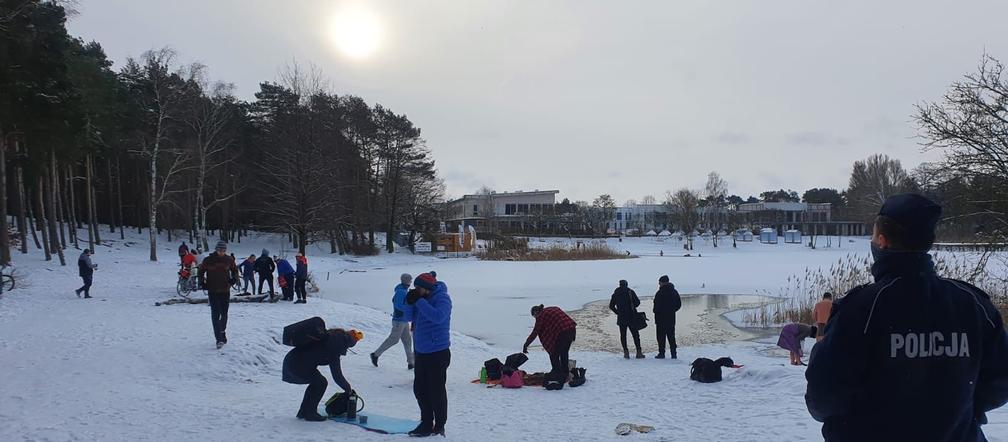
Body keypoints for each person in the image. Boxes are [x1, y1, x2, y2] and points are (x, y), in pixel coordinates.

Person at [806, 194, 1008, 440]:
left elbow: (823, 399)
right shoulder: (973, 304)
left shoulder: (861, 310)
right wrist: (955, 412)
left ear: (881, 242)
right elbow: (999, 382)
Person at [282, 328, 363, 422]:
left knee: (317, 382)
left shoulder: (333, 336)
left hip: (293, 360)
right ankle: (310, 413)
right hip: (297, 364)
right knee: (321, 383)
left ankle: (304, 411)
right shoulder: (335, 347)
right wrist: (348, 389)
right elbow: (337, 375)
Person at [406, 272, 452, 437]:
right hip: (421, 351)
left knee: (436, 390)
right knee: (419, 389)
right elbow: (407, 317)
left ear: (427, 288)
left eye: (419, 288)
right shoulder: (421, 299)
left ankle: (439, 425)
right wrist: (408, 302)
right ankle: (426, 423)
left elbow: (438, 317)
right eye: (415, 287)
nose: (416, 290)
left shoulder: (443, 299)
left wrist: (419, 301)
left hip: (438, 352)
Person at [198, 241, 240, 349]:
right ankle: (218, 339)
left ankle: (222, 331)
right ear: (216, 250)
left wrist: (233, 280)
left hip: (225, 290)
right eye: (220, 250)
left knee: (224, 314)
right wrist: (202, 282)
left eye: (223, 250)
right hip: (212, 290)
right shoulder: (208, 260)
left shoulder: (229, 260)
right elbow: (201, 271)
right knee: (215, 315)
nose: (221, 252)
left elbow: (235, 271)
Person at [371, 273, 415, 369]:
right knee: (393, 339)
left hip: (404, 320)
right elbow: (399, 306)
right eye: (409, 280)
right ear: (406, 281)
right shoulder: (401, 291)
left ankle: (411, 363)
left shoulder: (404, 290)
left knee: (407, 341)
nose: (411, 282)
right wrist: (411, 308)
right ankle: (375, 355)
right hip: (399, 321)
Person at [523, 304, 577, 379]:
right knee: (564, 352)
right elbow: (555, 322)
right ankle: (565, 373)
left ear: (535, 312)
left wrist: (526, 344)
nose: (535, 318)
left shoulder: (541, 316)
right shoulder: (553, 308)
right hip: (572, 329)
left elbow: (535, 332)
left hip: (563, 332)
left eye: (534, 316)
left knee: (554, 354)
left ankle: (557, 373)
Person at [609, 280, 643, 359]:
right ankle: (638, 352)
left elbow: (611, 306)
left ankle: (626, 353)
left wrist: (617, 312)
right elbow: (637, 302)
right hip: (631, 316)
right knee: (635, 335)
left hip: (621, 318)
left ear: (620, 285)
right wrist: (632, 307)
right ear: (626, 285)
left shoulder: (616, 293)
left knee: (623, 335)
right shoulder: (630, 292)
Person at [653, 275, 682, 359]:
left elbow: (656, 307)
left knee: (661, 337)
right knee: (671, 336)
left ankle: (661, 353)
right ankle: (674, 354)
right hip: (671, 318)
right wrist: (672, 311)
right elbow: (678, 304)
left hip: (660, 319)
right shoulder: (674, 292)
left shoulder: (660, 293)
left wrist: (656, 312)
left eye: (660, 282)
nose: (659, 284)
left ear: (663, 282)